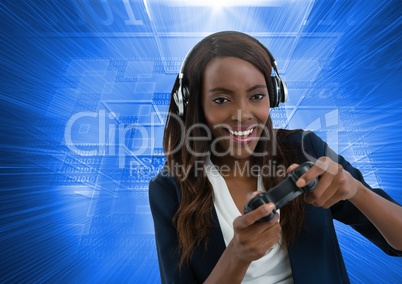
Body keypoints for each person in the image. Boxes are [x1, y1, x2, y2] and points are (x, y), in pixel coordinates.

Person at [148, 31, 402, 283]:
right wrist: (238, 255)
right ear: (192, 103)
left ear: (275, 95)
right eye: (221, 99)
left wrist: (356, 190)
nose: (242, 115)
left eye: (257, 96)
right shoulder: (170, 188)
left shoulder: (304, 148)